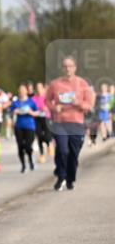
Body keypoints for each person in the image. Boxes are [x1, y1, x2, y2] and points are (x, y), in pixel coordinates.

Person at [44, 56, 95, 191]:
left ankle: (70, 178)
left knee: (73, 154)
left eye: (70, 66)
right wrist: (55, 108)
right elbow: (47, 100)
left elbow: (89, 104)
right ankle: (61, 176)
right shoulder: (55, 84)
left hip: (77, 123)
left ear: (75, 67)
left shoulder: (82, 83)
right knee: (62, 150)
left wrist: (78, 103)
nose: (67, 69)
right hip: (60, 122)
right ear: (62, 68)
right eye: (65, 66)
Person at [9, 83, 39, 173]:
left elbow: (37, 112)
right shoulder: (15, 102)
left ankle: (30, 159)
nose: (21, 92)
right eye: (20, 90)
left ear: (26, 91)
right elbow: (10, 113)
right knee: (20, 147)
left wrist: (31, 112)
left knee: (28, 146)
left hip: (30, 126)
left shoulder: (31, 101)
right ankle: (23, 165)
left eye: (23, 90)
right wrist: (15, 111)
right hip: (19, 126)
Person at [32, 81, 53, 164]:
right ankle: (41, 155)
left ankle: (49, 144)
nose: (38, 89)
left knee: (47, 136)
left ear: (43, 88)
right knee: (39, 136)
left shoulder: (47, 97)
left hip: (46, 117)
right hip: (37, 118)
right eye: (37, 88)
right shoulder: (34, 98)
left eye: (40, 87)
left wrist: (47, 108)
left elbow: (52, 105)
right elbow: (32, 107)